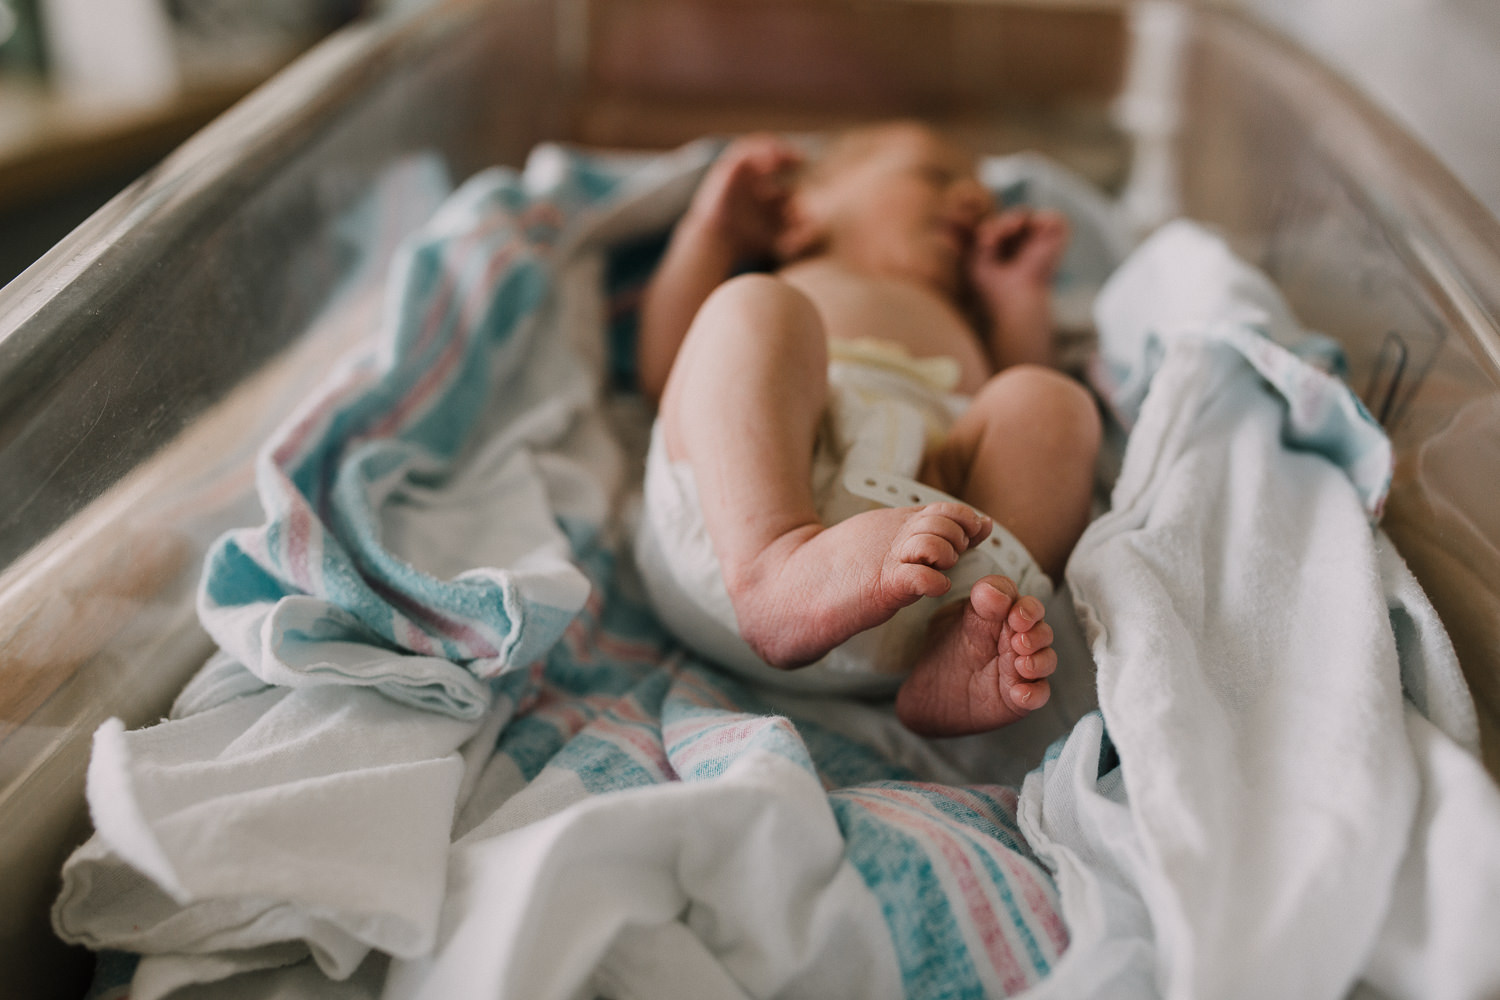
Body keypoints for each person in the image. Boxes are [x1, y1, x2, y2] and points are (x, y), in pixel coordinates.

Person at [633, 122, 1100, 737]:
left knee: (1049, 401)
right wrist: (711, 235)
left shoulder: (960, 314)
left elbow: (1020, 432)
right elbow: (668, 370)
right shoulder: (804, 278)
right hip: (738, 524)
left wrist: (1016, 296)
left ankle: (965, 637)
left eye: (985, 207)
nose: (971, 202)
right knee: (753, 307)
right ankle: (774, 569)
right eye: (935, 179)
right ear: (802, 213)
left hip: (920, 579)